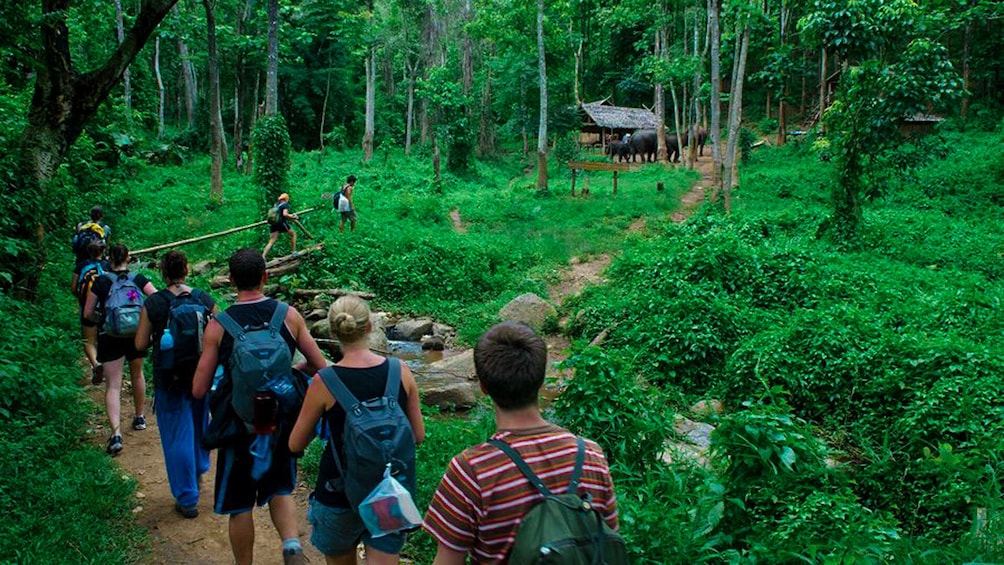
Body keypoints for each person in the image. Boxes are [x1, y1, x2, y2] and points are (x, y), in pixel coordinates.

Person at [423, 321, 620, 564]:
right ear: (541, 378)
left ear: (483, 387)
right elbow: (608, 539)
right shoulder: (591, 455)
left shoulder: (471, 470)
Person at [192, 248, 328, 565]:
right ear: (265, 276)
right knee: (280, 488)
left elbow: (199, 389)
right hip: (279, 424)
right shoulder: (289, 316)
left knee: (240, 506)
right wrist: (292, 372)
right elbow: (319, 365)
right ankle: (292, 546)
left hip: (239, 428)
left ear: (232, 281)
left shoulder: (219, 325)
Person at [289, 295, 425, 565]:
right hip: (389, 489)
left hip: (338, 492)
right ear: (369, 328)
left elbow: (295, 444)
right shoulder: (400, 371)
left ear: (333, 331)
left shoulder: (324, 381)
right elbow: (417, 436)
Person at [134, 250, 217, 519]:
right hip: (201, 375)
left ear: (163, 272)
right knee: (198, 424)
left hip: (169, 379)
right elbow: (222, 331)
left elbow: (139, 344)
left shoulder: (155, 303)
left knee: (177, 435)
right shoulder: (203, 298)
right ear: (187, 269)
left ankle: (187, 497)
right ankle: (198, 466)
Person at [83, 243, 157, 456]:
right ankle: (140, 417)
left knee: (113, 385)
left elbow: (88, 313)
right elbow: (157, 297)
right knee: (137, 374)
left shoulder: (102, 281)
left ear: (109, 258)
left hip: (110, 336)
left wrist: (104, 320)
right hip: (137, 334)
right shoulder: (138, 279)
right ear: (129, 257)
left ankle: (116, 435)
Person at [71, 240, 108, 384]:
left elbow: (74, 288)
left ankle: (95, 364)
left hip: (87, 309)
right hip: (105, 310)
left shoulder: (81, 266)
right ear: (103, 250)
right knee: (104, 339)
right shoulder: (108, 266)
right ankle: (106, 365)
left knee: (89, 341)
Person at [263, 193, 298, 259]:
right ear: (286, 199)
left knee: (271, 241)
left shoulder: (276, 205)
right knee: (293, 234)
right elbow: (285, 214)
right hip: (281, 223)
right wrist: (293, 216)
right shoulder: (285, 204)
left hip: (274, 224)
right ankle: (293, 252)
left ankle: (263, 256)